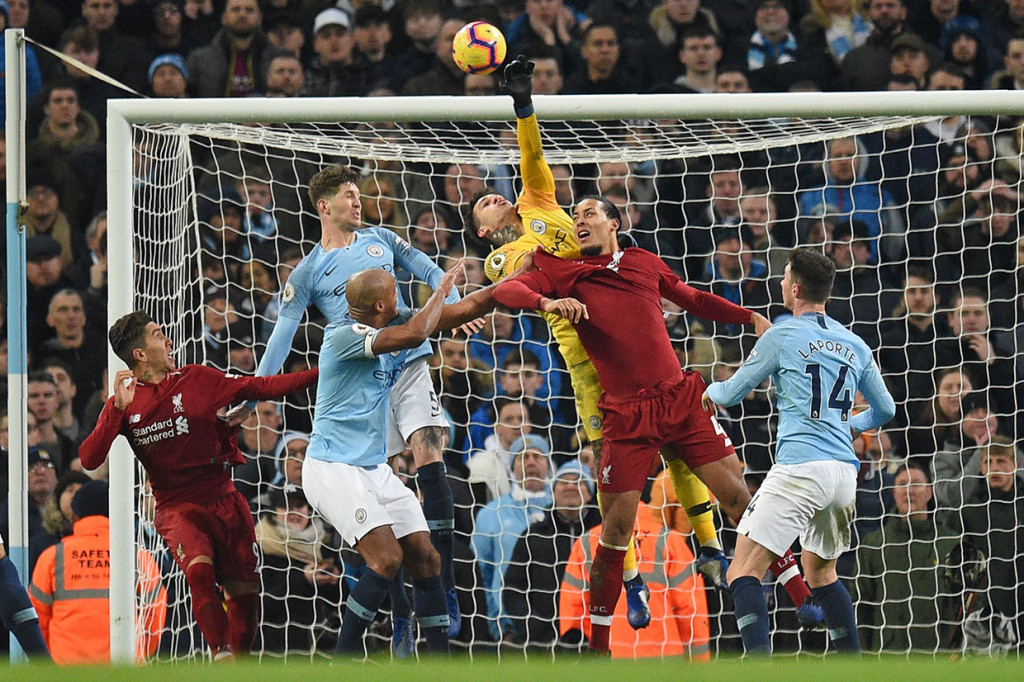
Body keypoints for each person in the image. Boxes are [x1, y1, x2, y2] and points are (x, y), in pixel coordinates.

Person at [471, 56, 781, 628]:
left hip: (634, 344)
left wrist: (522, 103)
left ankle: (711, 546)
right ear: (486, 230)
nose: (490, 202)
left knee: (679, 445)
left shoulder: (544, 206)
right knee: (613, 480)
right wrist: (522, 304)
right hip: (588, 365)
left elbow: (532, 155)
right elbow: (509, 295)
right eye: (481, 208)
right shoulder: (503, 260)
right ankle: (632, 582)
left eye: (491, 195)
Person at [492, 192, 774, 655]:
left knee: (741, 498)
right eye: (576, 214)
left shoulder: (641, 260)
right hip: (617, 409)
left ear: (613, 223)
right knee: (615, 530)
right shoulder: (553, 264)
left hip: (677, 398)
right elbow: (504, 290)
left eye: (589, 213)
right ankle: (605, 636)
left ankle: (777, 580)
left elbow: (692, 297)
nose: (579, 220)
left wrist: (748, 317)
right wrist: (546, 302)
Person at [224, 163, 465, 635]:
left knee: (429, 451)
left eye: (359, 195)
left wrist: (456, 301)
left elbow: (427, 267)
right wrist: (251, 395)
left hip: (409, 358)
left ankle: (447, 587)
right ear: (325, 206)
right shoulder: (310, 271)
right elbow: (280, 339)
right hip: (366, 378)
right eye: (350, 196)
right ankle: (399, 616)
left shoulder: (382, 239)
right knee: (386, 492)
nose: (359, 201)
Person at [78, 310, 319, 660]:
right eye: (159, 334)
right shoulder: (124, 403)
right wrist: (115, 409)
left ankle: (237, 663)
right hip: (177, 507)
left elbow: (261, 386)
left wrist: (324, 373)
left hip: (224, 497)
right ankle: (219, 655)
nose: (169, 340)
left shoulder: (197, 378)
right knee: (200, 571)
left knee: (245, 595)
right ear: (140, 354)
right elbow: (89, 458)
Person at [299, 262, 502, 657]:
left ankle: (437, 662)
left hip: (373, 468)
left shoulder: (389, 320)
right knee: (388, 559)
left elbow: (460, 313)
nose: (401, 295)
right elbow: (414, 332)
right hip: (333, 468)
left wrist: (516, 282)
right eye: (395, 291)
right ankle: (341, 660)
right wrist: (440, 290)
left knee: (428, 559)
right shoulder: (344, 336)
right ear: (379, 305)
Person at [703, 247, 896, 656]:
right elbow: (886, 409)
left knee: (743, 569)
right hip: (844, 474)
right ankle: (852, 666)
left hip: (800, 467)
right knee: (821, 573)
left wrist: (705, 391)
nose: (780, 283)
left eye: (784, 277)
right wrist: (851, 425)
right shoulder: (855, 343)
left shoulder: (784, 333)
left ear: (794, 288)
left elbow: (732, 393)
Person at [28, 480, 167, 664]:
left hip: (67, 667)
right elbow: (155, 612)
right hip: (124, 666)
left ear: (75, 515)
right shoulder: (137, 556)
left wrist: (53, 655)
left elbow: (37, 616)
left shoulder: (52, 556)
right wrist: (141, 650)